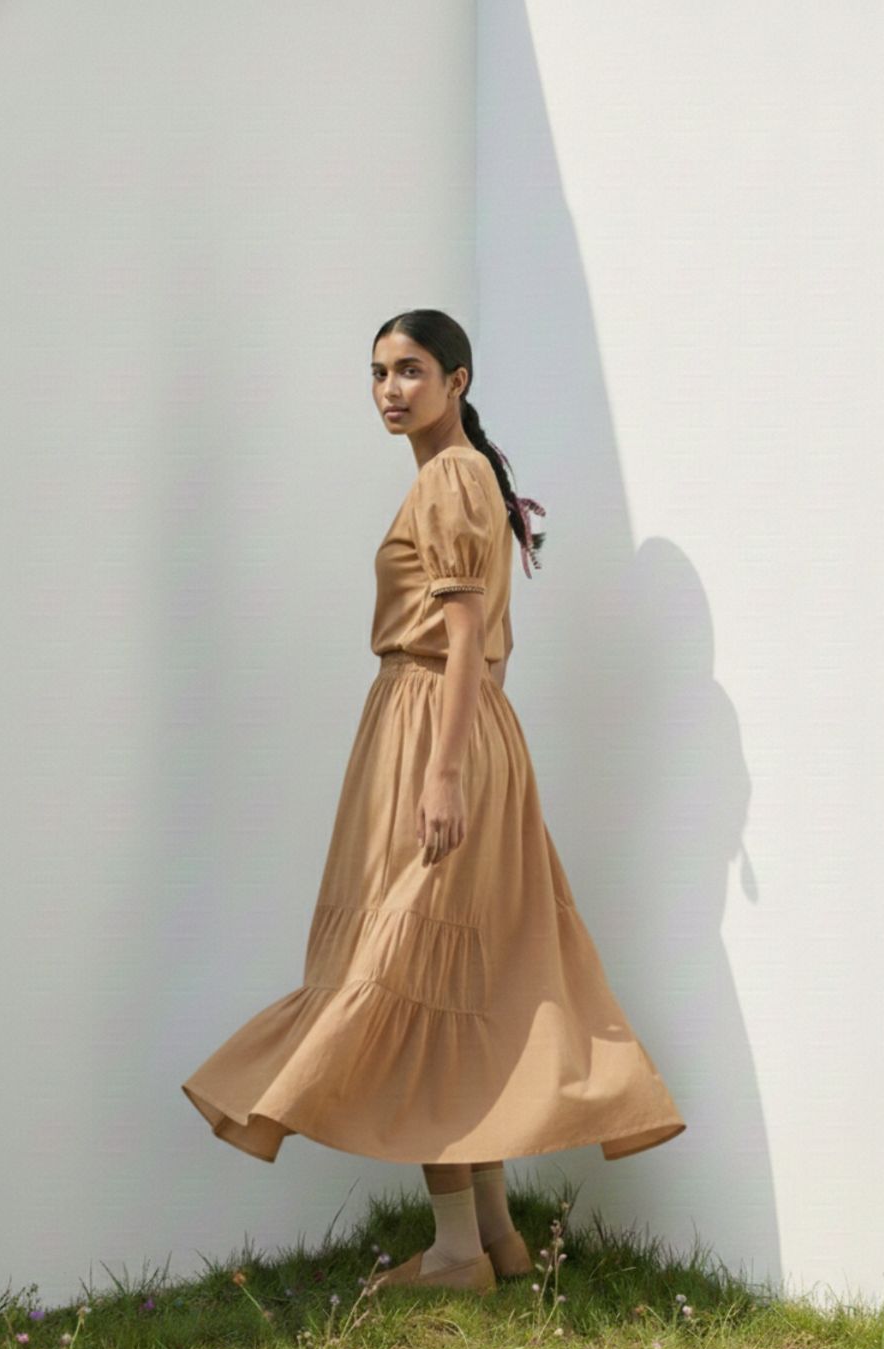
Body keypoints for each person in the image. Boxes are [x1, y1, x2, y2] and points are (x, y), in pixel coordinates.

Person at [181, 308, 686, 1295]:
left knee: (402, 971)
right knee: (453, 977)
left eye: (410, 370)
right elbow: (486, 649)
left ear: (458, 380)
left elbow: (460, 640)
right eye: (378, 372)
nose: (389, 389)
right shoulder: (472, 475)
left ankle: (455, 1252)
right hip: (467, 728)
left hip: (431, 730)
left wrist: (443, 772)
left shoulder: (449, 478)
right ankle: (492, 1236)